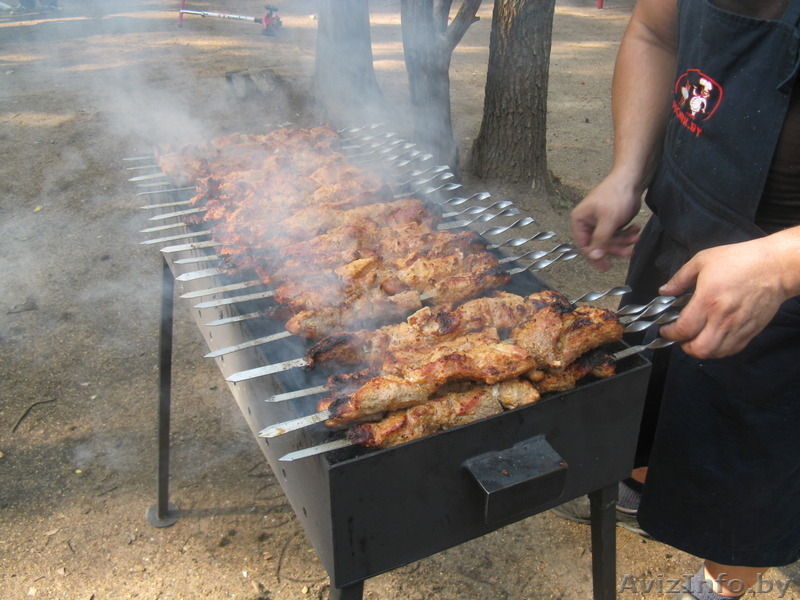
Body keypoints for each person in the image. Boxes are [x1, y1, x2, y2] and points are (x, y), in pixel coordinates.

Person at [562, 0, 800, 598]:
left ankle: (725, 582)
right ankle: (641, 480)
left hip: (782, 288)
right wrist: (627, 172)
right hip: (679, 235)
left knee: (746, 471)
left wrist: (778, 264)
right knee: (646, 392)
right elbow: (653, 32)